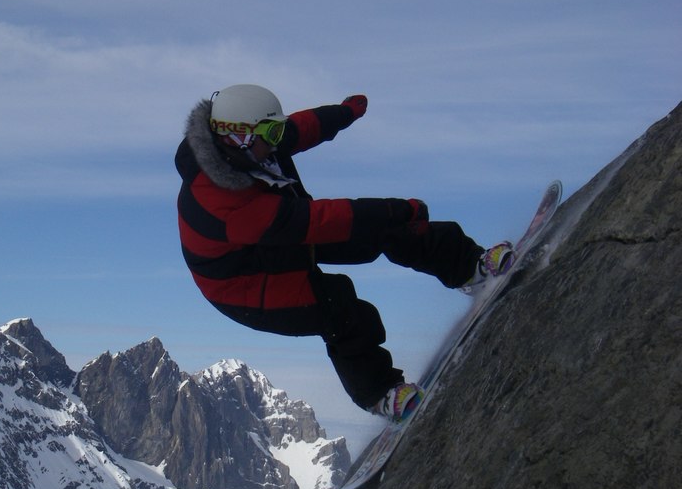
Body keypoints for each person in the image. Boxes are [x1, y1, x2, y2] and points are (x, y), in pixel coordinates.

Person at [175, 85, 514, 422]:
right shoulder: (219, 200)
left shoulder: (251, 145)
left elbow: (300, 128)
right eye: (271, 133)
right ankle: (380, 394)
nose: (278, 141)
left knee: (384, 232)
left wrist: (343, 113)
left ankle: (469, 267)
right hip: (243, 283)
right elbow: (314, 221)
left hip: (274, 236)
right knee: (336, 304)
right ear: (238, 136)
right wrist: (394, 210)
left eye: (277, 129)